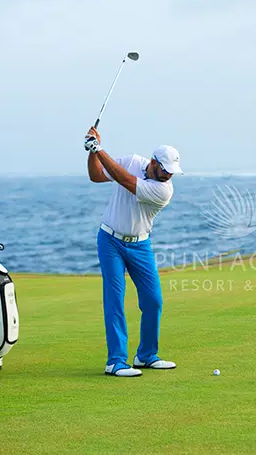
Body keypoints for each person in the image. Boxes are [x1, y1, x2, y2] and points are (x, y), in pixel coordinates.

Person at [84, 126, 182, 377]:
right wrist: (92, 151)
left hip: (140, 245)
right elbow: (96, 176)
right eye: (165, 170)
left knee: (153, 300)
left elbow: (126, 181)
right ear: (153, 163)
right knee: (115, 298)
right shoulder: (131, 161)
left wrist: (100, 150)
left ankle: (146, 355)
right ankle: (115, 361)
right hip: (110, 241)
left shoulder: (164, 190)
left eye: (172, 172)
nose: (169, 176)